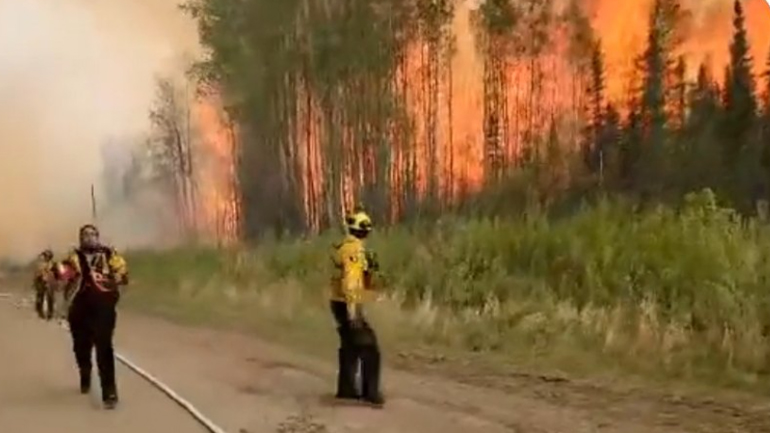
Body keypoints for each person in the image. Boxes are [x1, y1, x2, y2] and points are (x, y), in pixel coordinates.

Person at [53, 224, 128, 410]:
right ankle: (85, 373)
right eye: (85, 235)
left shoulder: (110, 254)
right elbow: (62, 275)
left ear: (98, 237)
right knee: (81, 346)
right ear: (80, 238)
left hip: (103, 306)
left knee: (104, 346)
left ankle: (109, 392)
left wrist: (116, 278)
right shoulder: (73, 257)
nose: (89, 238)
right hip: (79, 307)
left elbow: (122, 271)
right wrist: (58, 271)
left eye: (92, 234)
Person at [329, 209, 384, 407]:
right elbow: (351, 281)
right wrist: (354, 311)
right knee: (370, 348)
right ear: (365, 232)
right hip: (347, 303)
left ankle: (347, 389)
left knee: (350, 346)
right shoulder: (355, 251)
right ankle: (371, 393)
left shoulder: (344, 247)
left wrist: (368, 273)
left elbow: (356, 279)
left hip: (337, 301)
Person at [33, 250, 56, 320]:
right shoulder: (41, 264)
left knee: (50, 298)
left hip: (49, 282)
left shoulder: (52, 264)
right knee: (40, 297)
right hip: (41, 282)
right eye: (45, 256)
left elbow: (57, 273)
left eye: (47, 256)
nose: (46, 257)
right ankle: (39, 312)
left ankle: (50, 313)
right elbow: (37, 275)